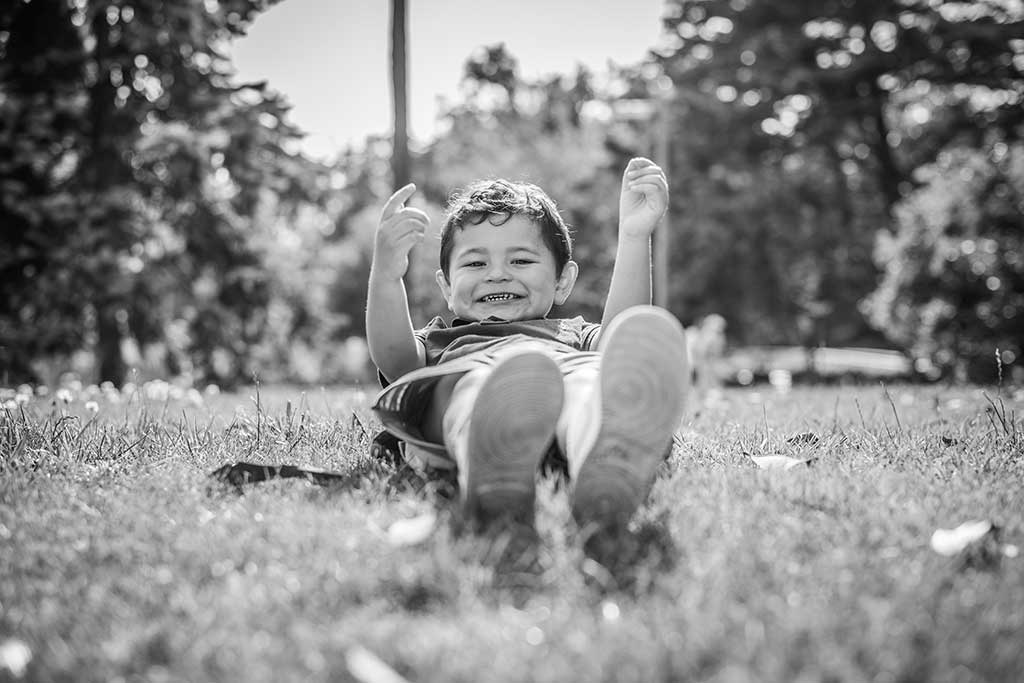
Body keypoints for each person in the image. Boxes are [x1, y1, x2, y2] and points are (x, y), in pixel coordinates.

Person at [366, 158, 689, 562]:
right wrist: (386, 275)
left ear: (562, 282)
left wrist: (634, 235)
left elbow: (616, 338)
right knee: (472, 387)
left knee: (590, 378)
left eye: (520, 260)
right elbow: (394, 356)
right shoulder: (441, 340)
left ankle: (602, 452)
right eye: (475, 263)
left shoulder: (571, 335)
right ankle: (490, 456)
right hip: (470, 382)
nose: (497, 274)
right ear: (446, 288)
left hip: (560, 380)